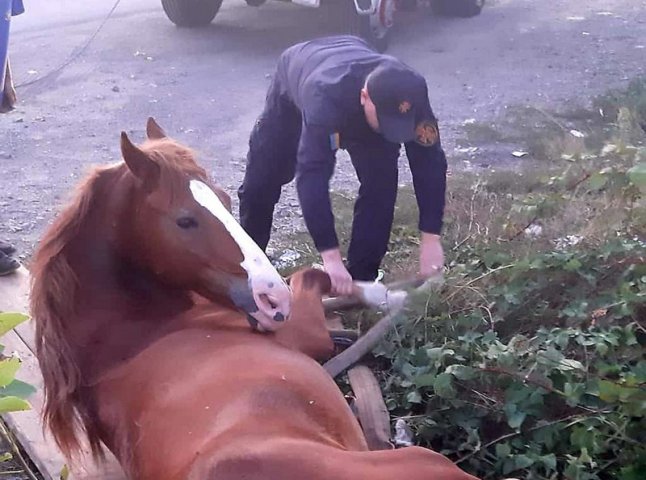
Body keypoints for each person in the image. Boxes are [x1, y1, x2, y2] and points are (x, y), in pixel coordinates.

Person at [238, 35, 447, 296]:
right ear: (364, 96)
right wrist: (330, 257)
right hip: (299, 76)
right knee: (262, 182)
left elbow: (430, 162)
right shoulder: (324, 97)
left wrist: (431, 236)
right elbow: (312, 175)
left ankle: (361, 279)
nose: (390, 130)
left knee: (381, 183)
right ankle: (250, 271)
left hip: (353, 51)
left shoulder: (412, 89)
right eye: (385, 120)